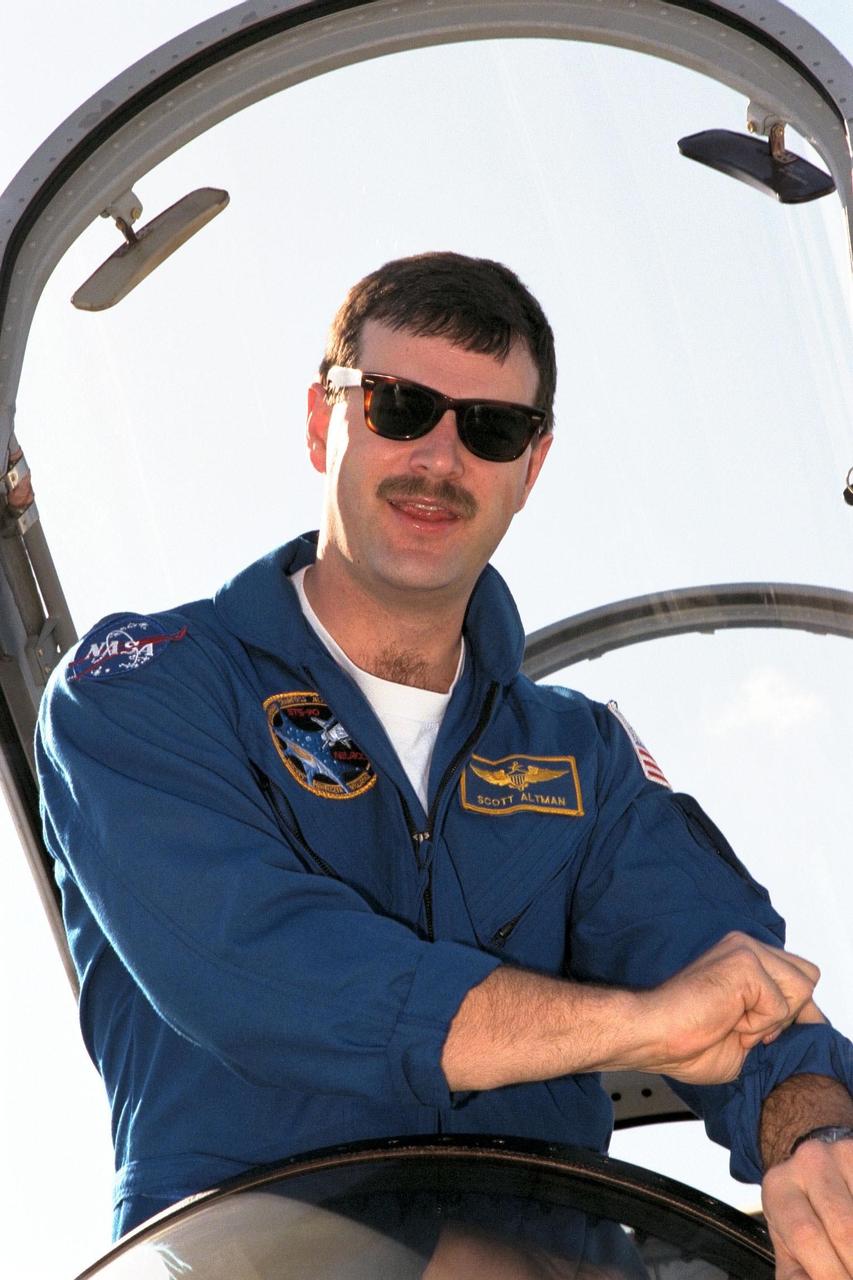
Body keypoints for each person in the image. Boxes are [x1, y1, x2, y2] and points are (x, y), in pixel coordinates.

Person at [37, 252, 852, 1277]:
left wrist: (810, 1132)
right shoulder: (145, 691)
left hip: (564, 1249)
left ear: (531, 464)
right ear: (319, 417)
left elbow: (732, 979)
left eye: (489, 427)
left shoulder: (581, 755)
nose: (439, 457)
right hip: (251, 1255)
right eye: (400, 405)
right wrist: (639, 1025)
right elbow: (268, 974)